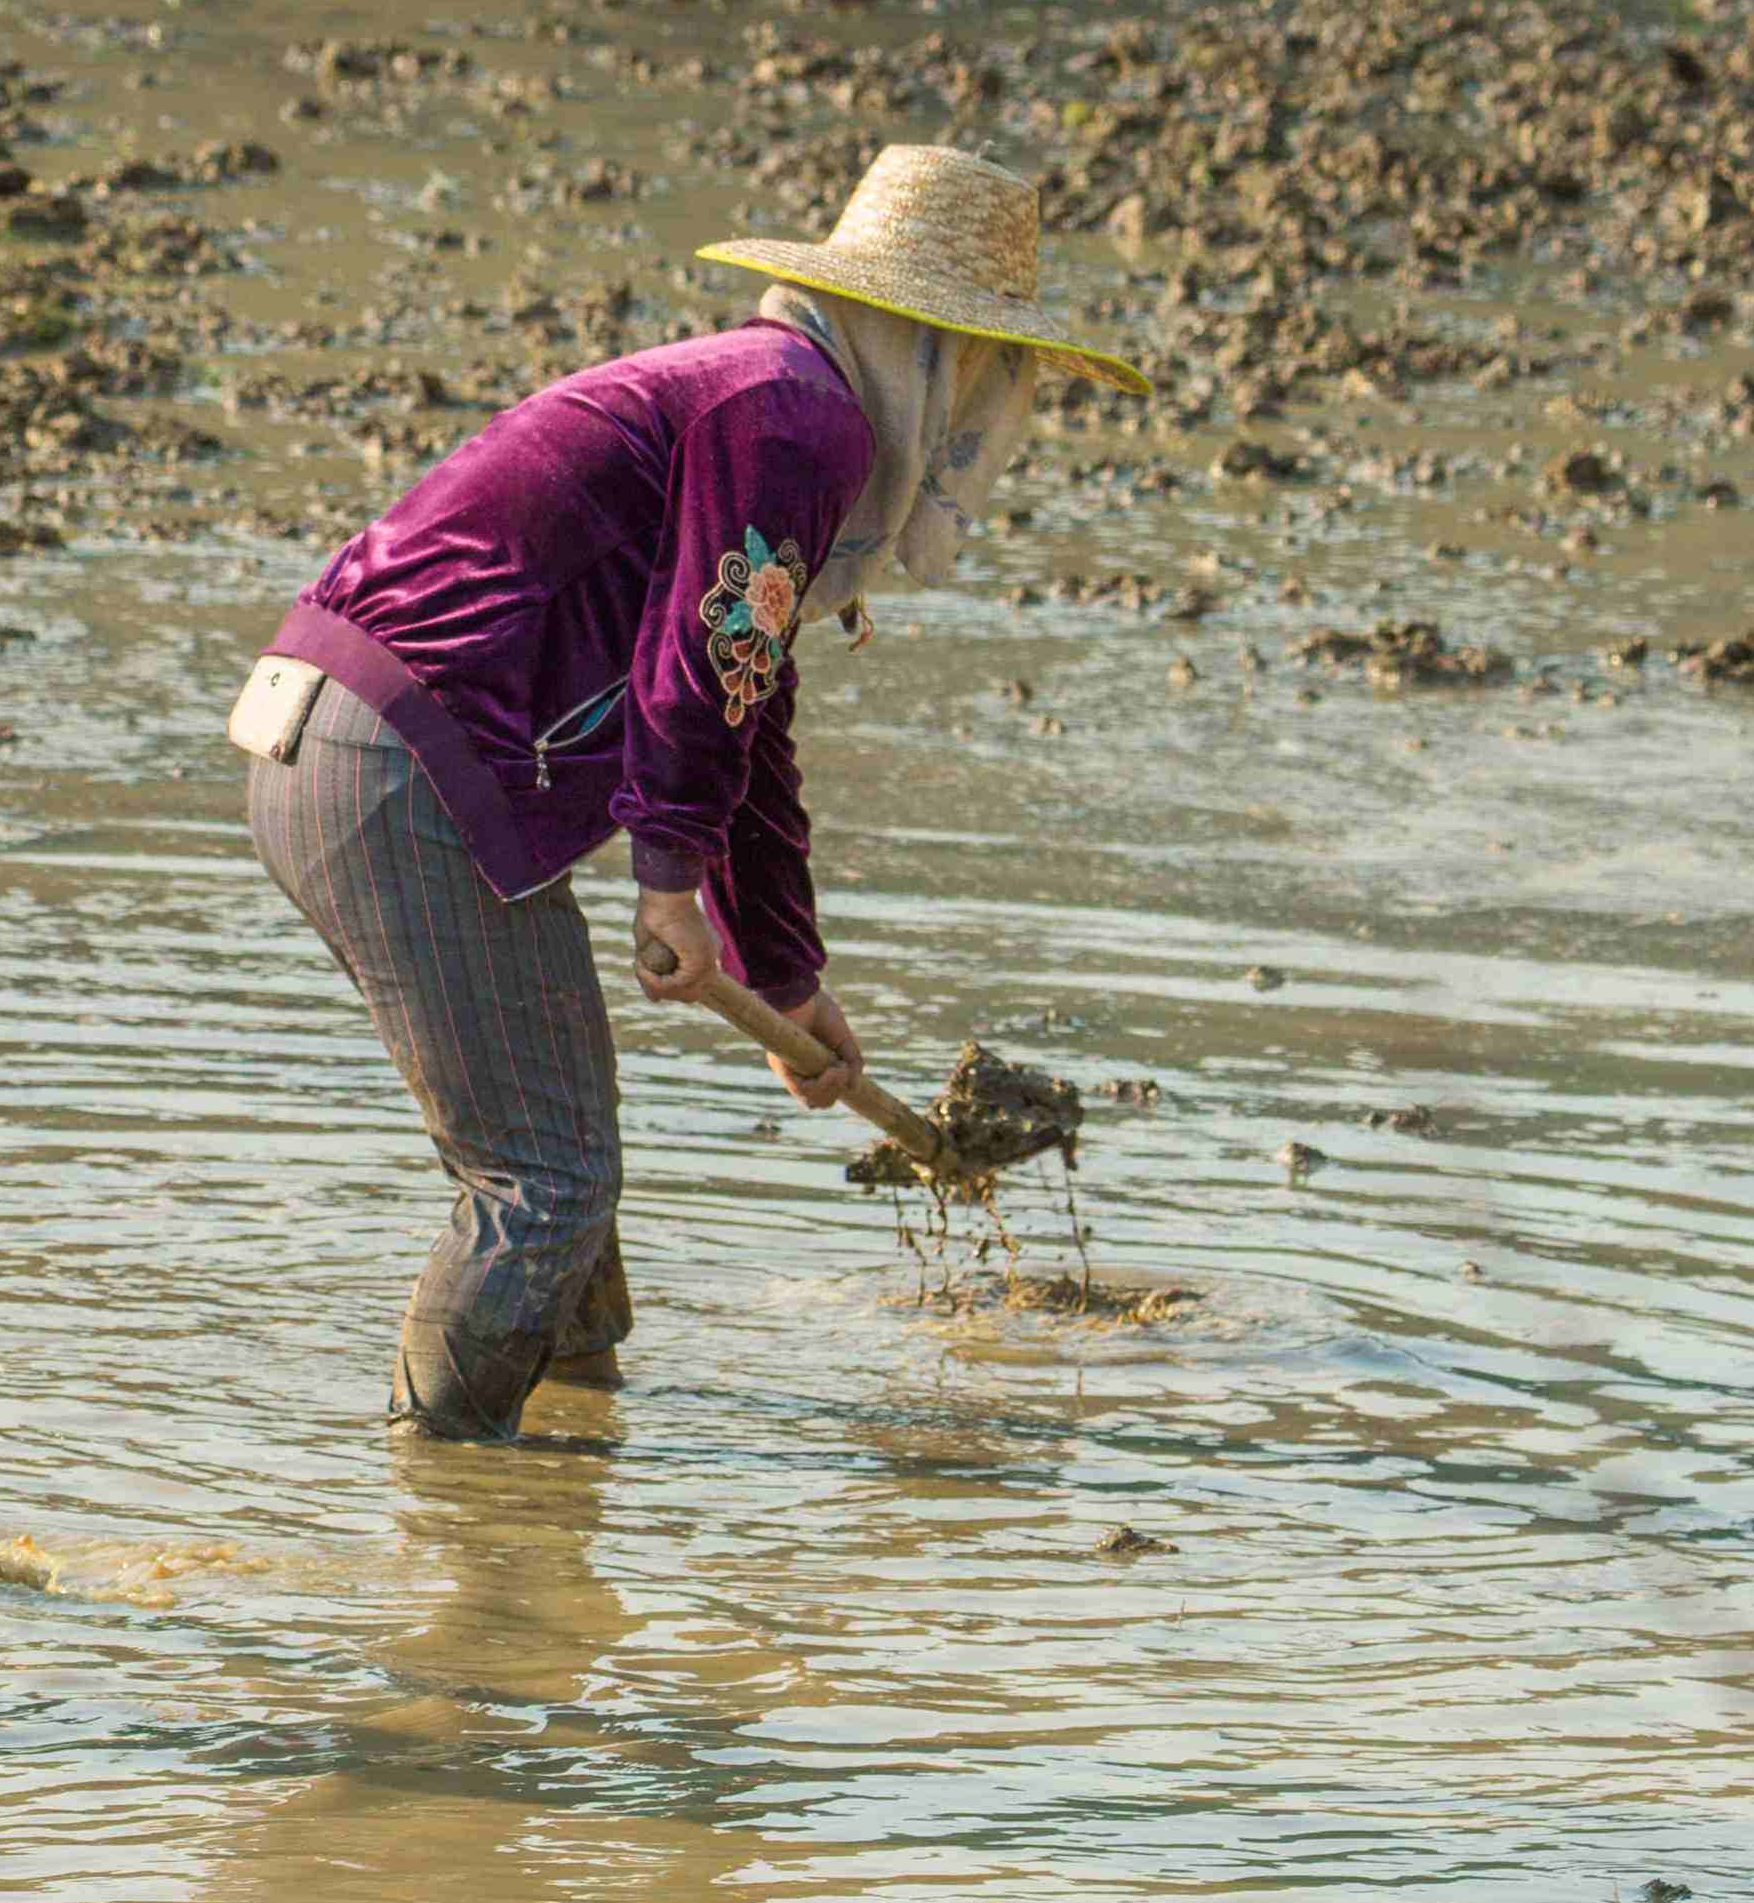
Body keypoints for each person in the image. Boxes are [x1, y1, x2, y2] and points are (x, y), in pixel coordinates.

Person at [237, 145, 1147, 1441]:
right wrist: (667, 875)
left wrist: (782, 971)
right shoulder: (795, 415)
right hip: (394, 761)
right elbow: (702, 659)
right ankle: (461, 1536)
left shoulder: (772, 404)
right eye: (989, 376)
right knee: (543, 1178)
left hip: (349, 740)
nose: (988, 416)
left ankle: (562, 1455)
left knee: (563, 1163)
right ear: (926, 349)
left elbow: (746, 696)